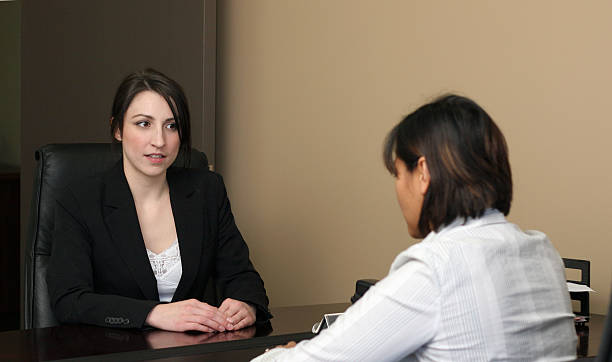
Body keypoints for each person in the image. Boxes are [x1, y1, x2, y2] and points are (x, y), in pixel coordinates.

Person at [253, 95, 577, 361]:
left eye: (397, 173)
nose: (396, 187)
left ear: (422, 173)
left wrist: (282, 354)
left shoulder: (436, 268)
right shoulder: (542, 251)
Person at [47, 68, 271, 332]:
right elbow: (69, 300)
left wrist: (245, 304)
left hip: (194, 350)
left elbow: (241, 275)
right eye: (144, 124)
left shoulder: (206, 190)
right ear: (117, 129)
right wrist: (153, 314)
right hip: (113, 351)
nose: (159, 141)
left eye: (171, 125)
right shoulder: (80, 199)